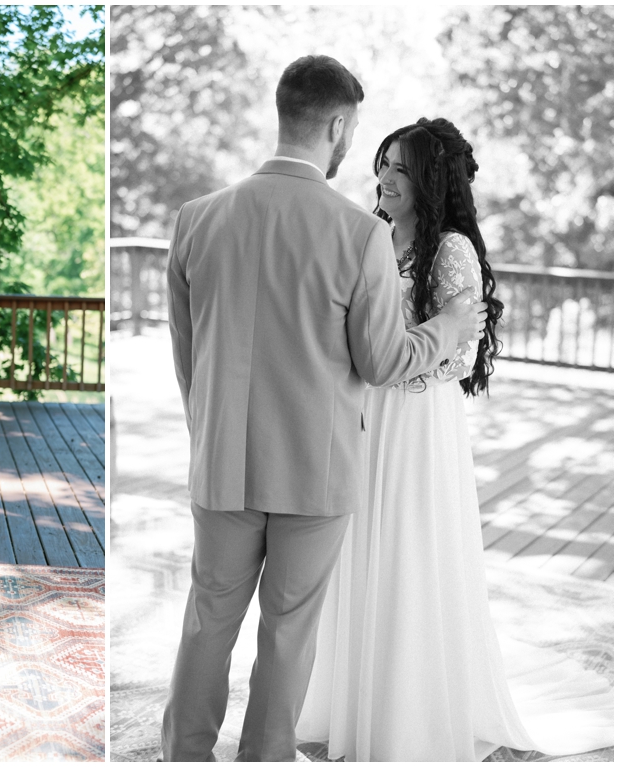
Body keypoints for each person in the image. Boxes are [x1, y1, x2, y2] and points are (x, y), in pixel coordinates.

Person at [160, 57, 487, 761]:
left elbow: (189, 359)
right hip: (316, 470)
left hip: (218, 462)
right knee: (288, 630)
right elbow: (383, 361)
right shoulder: (360, 233)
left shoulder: (194, 221)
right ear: (337, 125)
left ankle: (182, 753)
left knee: (206, 620)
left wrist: (210, 434)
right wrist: (449, 331)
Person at [297, 118, 614, 760]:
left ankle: (407, 710)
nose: (385, 177)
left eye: (402, 168)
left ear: (431, 180)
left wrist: (389, 363)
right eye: (383, 163)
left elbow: (460, 358)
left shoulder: (451, 253)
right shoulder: (369, 235)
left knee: (409, 550)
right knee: (356, 550)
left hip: (416, 423)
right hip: (360, 416)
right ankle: (349, 699)